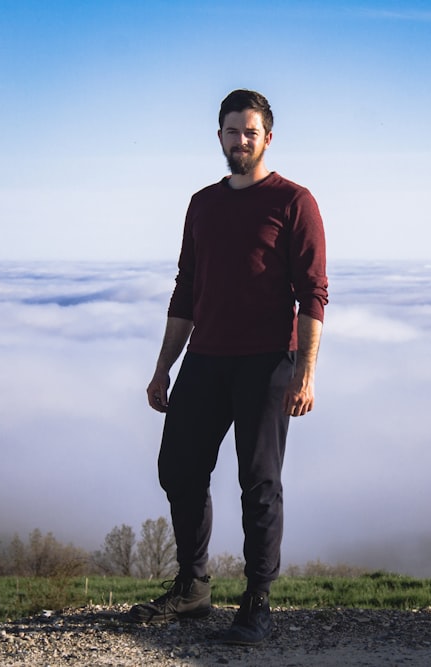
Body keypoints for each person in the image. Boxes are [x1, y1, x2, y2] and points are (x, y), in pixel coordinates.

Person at [128, 89, 328, 646]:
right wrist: (162, 367)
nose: (240, 140)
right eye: (231, 131)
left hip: (267, 363)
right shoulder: (202, 204)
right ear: (218, 135)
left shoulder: (294, 202)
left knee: (258, 482)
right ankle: (193, 588)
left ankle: (257, 601)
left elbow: (313, 295)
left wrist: (305, 374)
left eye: (250, 131)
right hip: (206, 357)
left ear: (267, 138)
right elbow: (186, 289)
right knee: (178, 468)